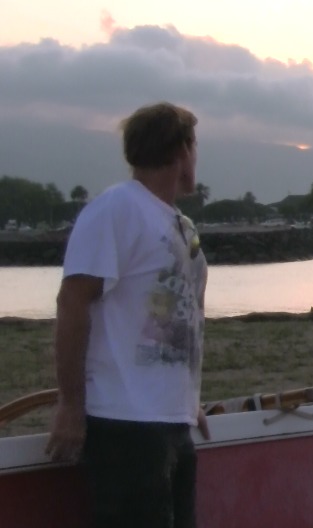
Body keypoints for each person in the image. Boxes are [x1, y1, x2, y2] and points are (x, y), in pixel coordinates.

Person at [45, 101, 210, 528]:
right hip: (125, 424)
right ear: (181, 149)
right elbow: (72, 301)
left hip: (172, 420)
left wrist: (188, 398)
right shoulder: (116, 208)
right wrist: (70, 404)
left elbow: (182, 312)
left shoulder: (180, 225)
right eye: (195, 147)